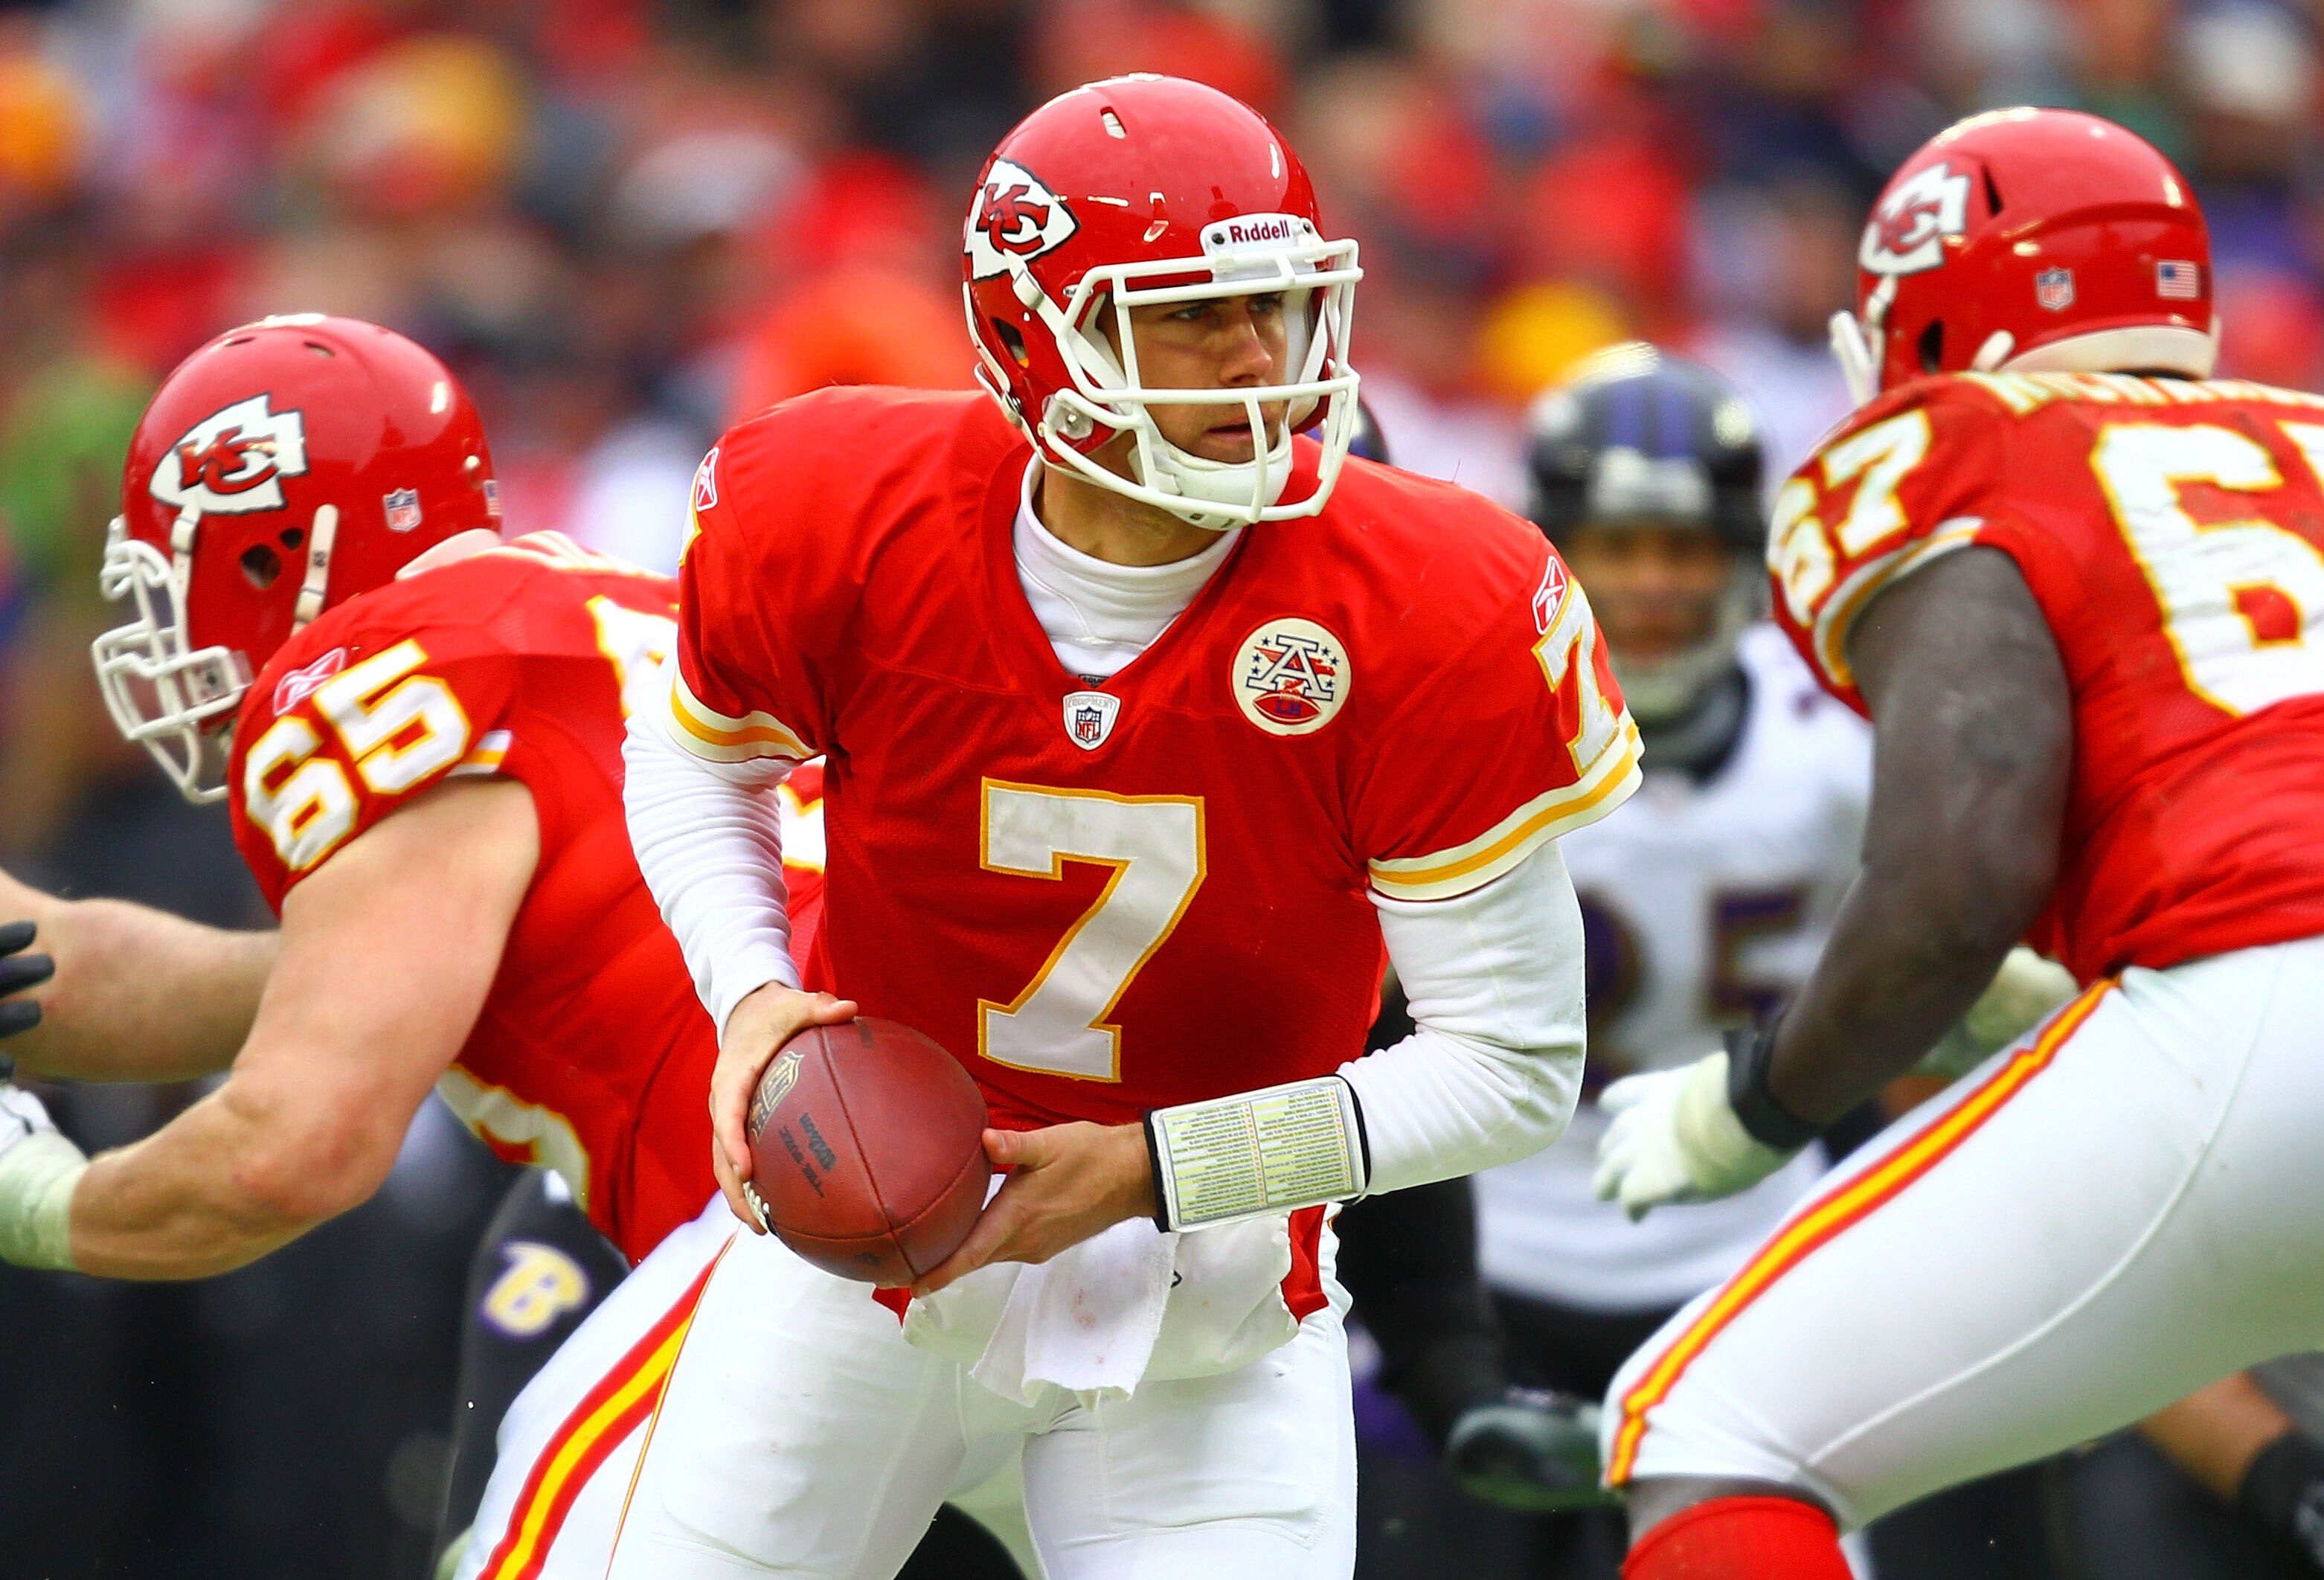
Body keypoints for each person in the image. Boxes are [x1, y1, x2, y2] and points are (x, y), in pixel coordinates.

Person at [464, 73, 1631, 1580]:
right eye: (1195, 316)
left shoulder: (1423, 602)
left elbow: (1510, 1069)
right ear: (1034, 337)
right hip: (853, 1269)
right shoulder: (840, 507)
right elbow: (697, 765)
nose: (1259, 357)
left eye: (1275, 303)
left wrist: (1152, 1165)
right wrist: (752, 993)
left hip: (1203, 1316)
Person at [0, 315, 1021, 1580]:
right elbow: (226, 992)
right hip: (1002, 1172)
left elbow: (288, 1149)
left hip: (808, 1202)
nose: (169, 623)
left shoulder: (378, 671)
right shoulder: (584, 623)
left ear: (281, 551)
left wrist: (36, 1196)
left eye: (184, 570)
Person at [1588, 106, 2324, 1579]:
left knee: (1704, 1429)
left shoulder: (1956, 446)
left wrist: (1754, 1104)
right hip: (2247, 1008)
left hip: (2260, 1011)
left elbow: (1953, 881)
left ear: (1919, 320)